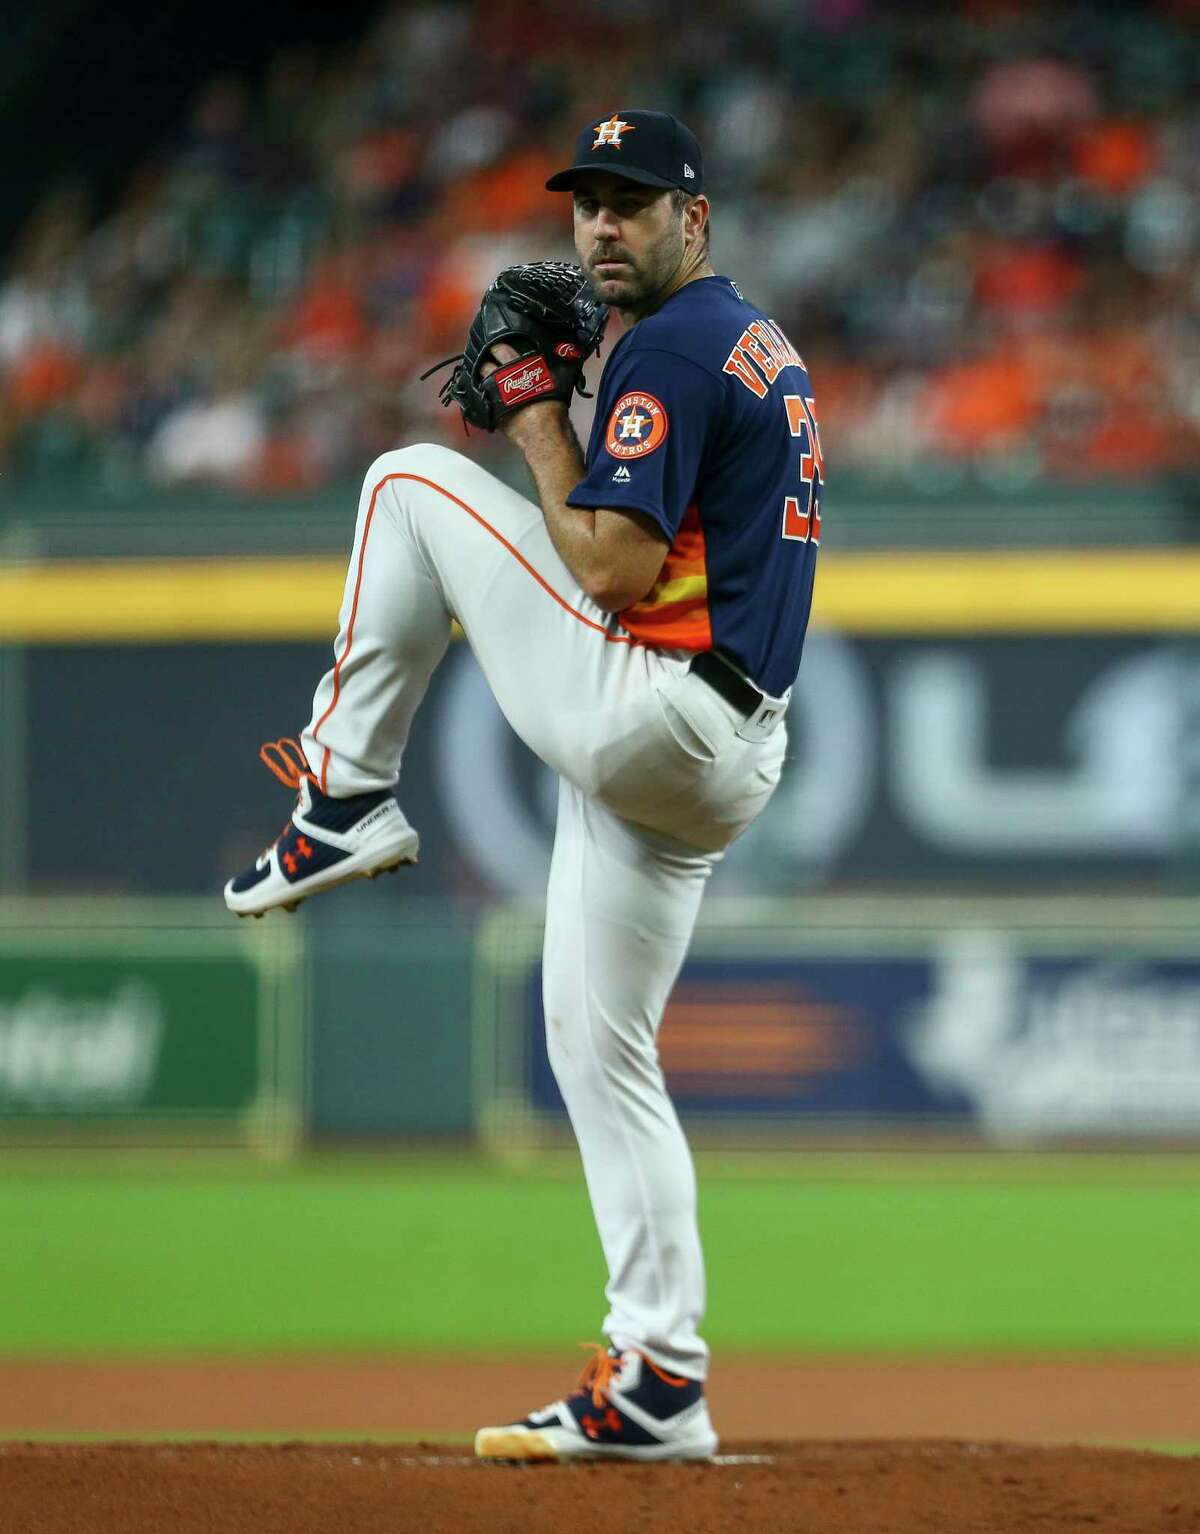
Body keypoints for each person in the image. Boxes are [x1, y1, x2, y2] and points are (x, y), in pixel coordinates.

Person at [225, 110, 823, 1462]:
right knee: (600, 1050)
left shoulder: (670, 345)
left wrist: (541, 419)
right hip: (724, 748)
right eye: (586, 203)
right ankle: (661, 1376)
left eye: (634, 201)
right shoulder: (751, 339)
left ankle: (342, 794)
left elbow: (609, 572)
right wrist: (567, 422)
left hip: (657, 712)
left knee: (408, 481)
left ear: (695, 219)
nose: (603, 225)